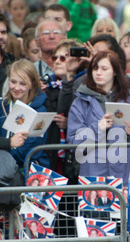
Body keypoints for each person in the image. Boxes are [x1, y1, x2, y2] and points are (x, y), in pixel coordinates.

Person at [67, 50, 130, 185]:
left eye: (104, 68)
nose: (98, 72)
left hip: (124, 171)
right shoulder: (80, 101)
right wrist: (97, 129)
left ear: (115, 72)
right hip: (93, 173)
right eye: (95, 68)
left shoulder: (129, 98)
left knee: (126, 206)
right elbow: (72, 141)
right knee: (93, 207)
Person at [0, 59, 50, 169]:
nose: (17, 88)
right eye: (13, 82)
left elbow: (32, 148)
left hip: (28, 170)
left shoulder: (41, 111)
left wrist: (2, 161)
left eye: (23, 83)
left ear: (32, 84)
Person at [44, 39, 87, 174]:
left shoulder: (84, 83)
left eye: (63, 58)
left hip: (75, 155)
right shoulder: (45, 84)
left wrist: (70, 123)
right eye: (54, 57)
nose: (57, 61)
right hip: (51, 152)